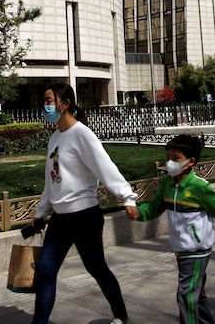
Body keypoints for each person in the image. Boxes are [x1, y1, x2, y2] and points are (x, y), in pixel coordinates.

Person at [20, 83, 137, 324]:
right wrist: (41, 212)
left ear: (65, 104)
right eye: (45, 101)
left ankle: (121, 315)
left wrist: (127, 197)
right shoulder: (55, 137)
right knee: (45, 272)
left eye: (49, 101)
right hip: (61, 220)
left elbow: (105, 166)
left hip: (85, 217)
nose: (46, 106)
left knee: (97, 268)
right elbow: (51, 181)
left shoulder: (82, 134)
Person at [126, 134, 215, 324]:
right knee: (196, 294)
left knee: (186, 294)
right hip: (180, 247)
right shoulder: (167, 183)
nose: (169, 162)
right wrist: (139, 213)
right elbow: (154, 207)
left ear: (191, 162)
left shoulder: (200, 187)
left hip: (196, 249)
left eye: (175, 158)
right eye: (168, 157)